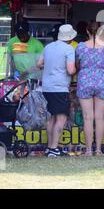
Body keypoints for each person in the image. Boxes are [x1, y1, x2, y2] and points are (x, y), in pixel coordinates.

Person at [37, 24, 77, 157]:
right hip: (60, 88)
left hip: (47, 87)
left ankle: (50, 147)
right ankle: (54, 148)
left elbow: (39, 64)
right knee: (61, 119)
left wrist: (50, 66)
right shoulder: (69, 49)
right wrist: (77, 68)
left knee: (52, 118)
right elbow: (71, 70)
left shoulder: (48, 47)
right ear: (70, 38)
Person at [76, 21, 104, 156]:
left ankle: (88, 150)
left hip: (85, 79)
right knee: (100, 118)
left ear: (87, 31)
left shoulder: (80, 46)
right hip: (102, 79)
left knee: (87, 117)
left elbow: (78, 63)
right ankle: (98, 150)